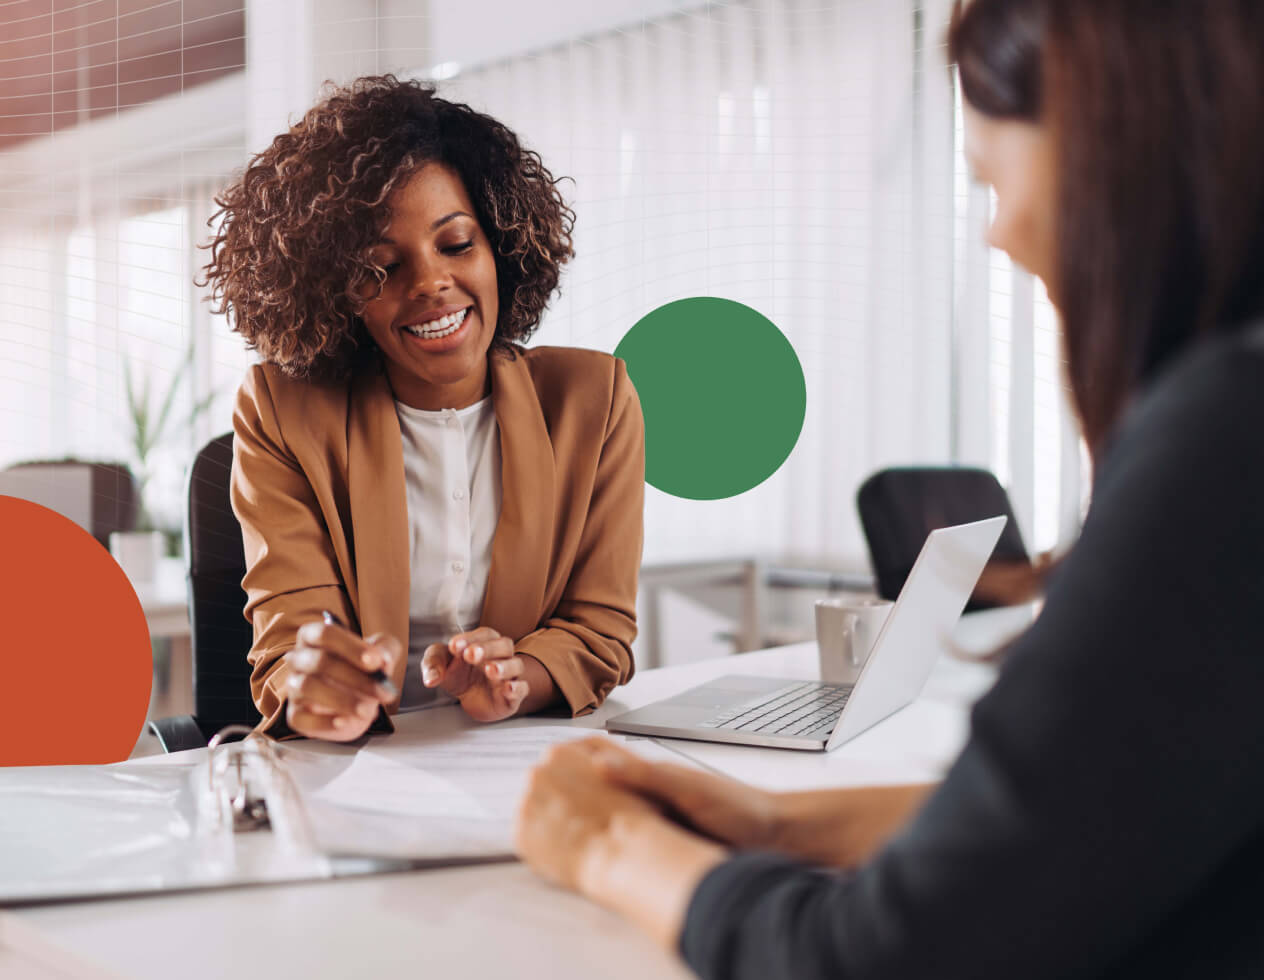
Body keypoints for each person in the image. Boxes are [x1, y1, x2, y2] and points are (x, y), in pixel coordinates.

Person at [514, 0, 1264, 975]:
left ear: (1117, 144)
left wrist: (606, 844)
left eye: (992, 179)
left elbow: (884, 955)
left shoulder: (1225, 432)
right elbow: (1102, 820)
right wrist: (773, 819)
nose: (1000, 233)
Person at [201, 76, 644, 741]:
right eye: (380, 268)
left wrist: (518, 679)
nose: (431, 284)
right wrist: (316, 686)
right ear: (337, 294)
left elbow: (598, 629)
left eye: (457, 244)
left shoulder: (594, 400)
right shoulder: (281, 410)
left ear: (500, 244)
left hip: (520, 760)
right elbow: (290, 640)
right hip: (352, 774)